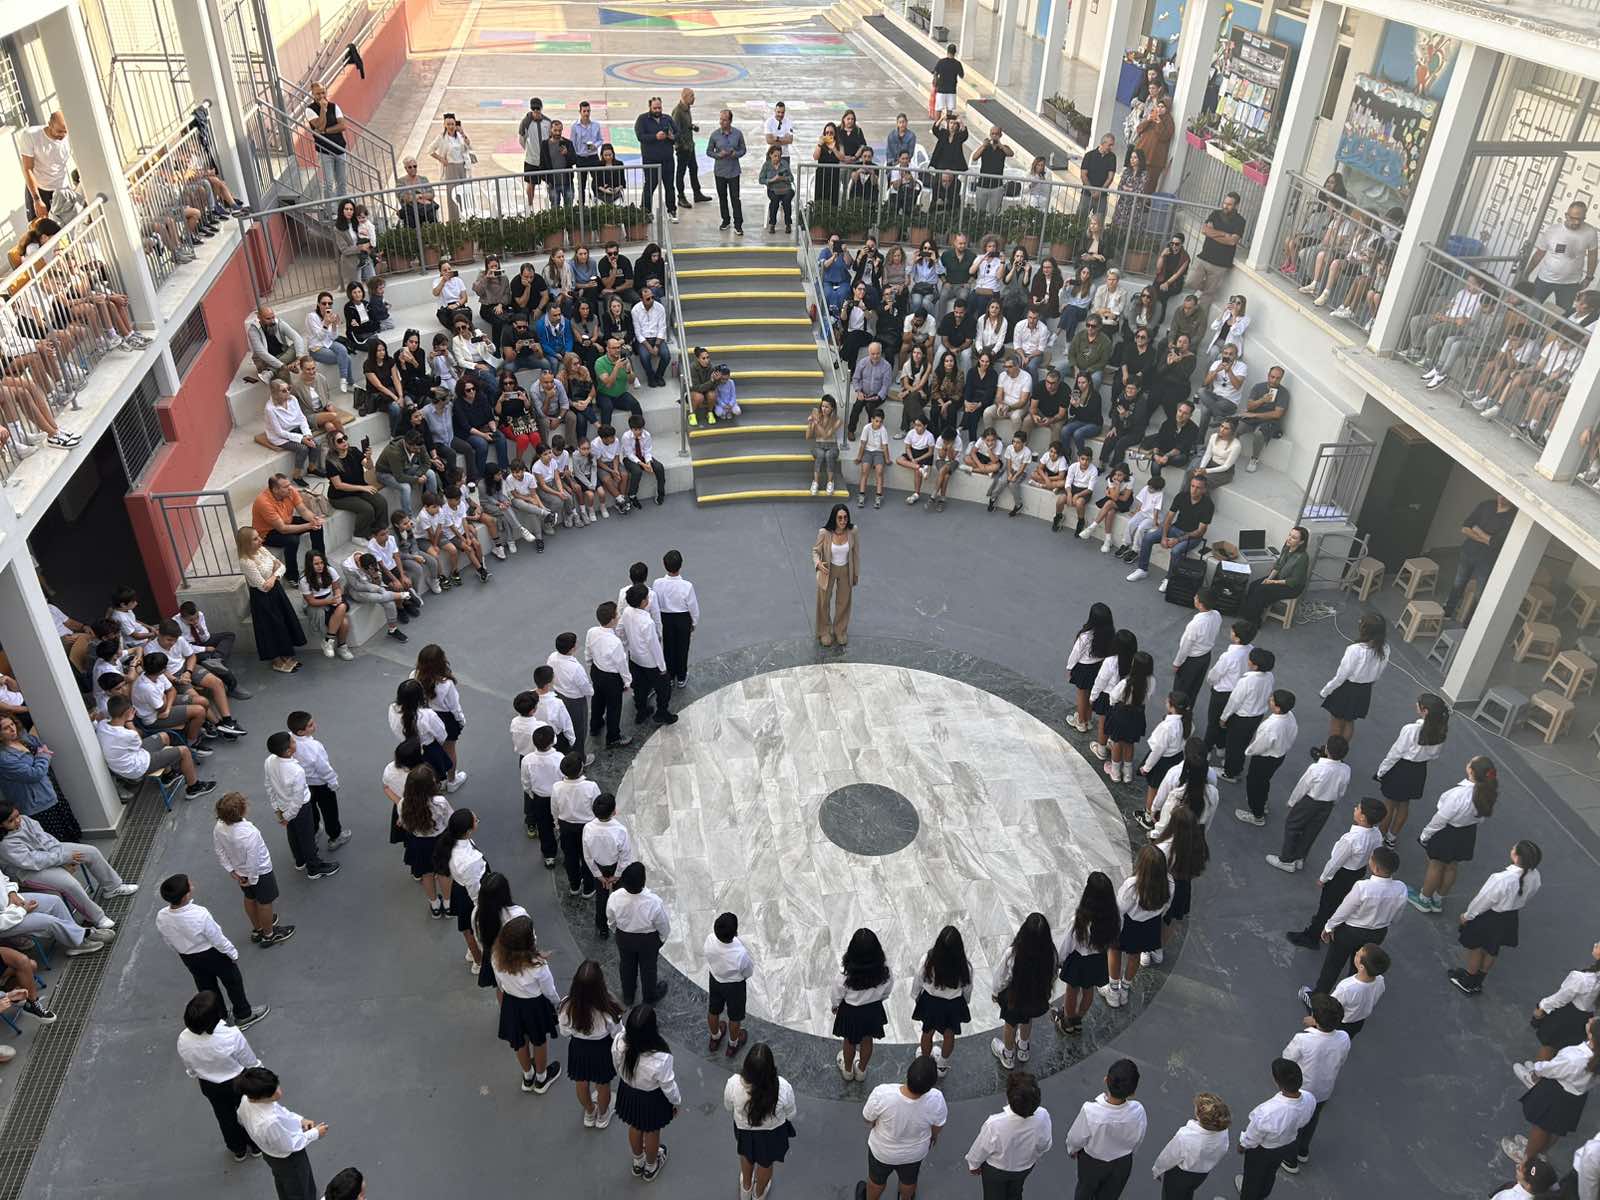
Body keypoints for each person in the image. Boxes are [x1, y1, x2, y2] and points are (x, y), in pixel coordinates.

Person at [0, 800, 136, 931]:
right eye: (11, 821)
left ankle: (112, 887)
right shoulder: (5, 844)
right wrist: (63, 859)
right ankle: (97, 917)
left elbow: (45, 839)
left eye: (17, 815)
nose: (18, 821)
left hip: (51, 854)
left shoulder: (25, 820)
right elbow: (33, 861)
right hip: (27, 872)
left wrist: (61, 856)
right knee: (70, 884)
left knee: (91, 852)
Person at [155, 873, 267, 1027]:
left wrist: (182, 950)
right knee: (232, 982)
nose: (192, 885)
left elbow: (167, 938)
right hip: (212, 954)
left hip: (188, 957)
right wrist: (232, 953)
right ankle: (244, 1014)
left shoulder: (162, 916)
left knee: (207, 987)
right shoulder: (199, 914)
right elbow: (217, 938)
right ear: (185, 896)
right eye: (190, 885)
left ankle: (219, 1017)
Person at [178, 989, 262, 1162]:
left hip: (210, 1085)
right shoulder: (231, 1035)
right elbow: (250, 1061)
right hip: (238, 1081)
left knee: (224, 1117)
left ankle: (237, 1149)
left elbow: (190, 1066)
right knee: (248, 1112)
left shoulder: (183, 1038)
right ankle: (255, 1146)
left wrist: (196, 1074)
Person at [1309, 845, 1405, 996]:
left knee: (1333, 964)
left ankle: (1319, 996)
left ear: (1376, 868)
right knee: (1361, 967)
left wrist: (1329, 927)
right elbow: (1397, 914)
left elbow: (1344, 910)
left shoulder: (1363, 887)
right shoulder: (1401, 888)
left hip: (1350, 932)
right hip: (1378, 933)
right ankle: (1350, 996)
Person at [1504, 1017, 1598, 1169]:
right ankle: (1540, 1152)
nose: (1591, 1019)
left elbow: (1551, 1068)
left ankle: (1527, 1157)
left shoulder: (1575, 1058)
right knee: (1556, 1128)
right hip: (1575, 1098)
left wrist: (1537, 1071)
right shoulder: (1594, 1059)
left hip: (1557, 1093)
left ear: (1592, 1037)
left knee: (1541, 1127)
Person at [1452, 839, 1542, 996]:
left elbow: (1483, 900)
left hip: (1489, 917)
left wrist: (1468, 915)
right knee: (1492, 949)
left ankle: (1468, 981)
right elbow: (1530, 894)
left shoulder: (1501, 879)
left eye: (1514, 848)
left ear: (1517, 856)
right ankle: (1478, 981)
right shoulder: (1535, 876)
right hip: (1509, 917)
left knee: (1476, 947)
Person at [1410, 754, 1497, 912]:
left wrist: (1425, 834)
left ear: (1471, 771)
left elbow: (1441, 818)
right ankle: (1438, 900)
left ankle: (1424, 899)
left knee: (1435, 865)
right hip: (1467, 833)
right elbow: (1481, 818)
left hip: (1448, 832)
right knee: (1452, 866)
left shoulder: (1459, 794)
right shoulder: (1488, 793)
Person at [1279, 994, 1350, 1175]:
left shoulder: (1303, 1039)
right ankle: (1303, 1151)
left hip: (1303, 1089)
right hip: (1324, 1089)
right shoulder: (1344, 1038)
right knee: (1313, 1118)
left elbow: (1287, 1059)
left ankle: (1290, 1159)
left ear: (1315, 1019)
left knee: (1295, 1123)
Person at [860, 1054, 946, 1200]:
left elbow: (867, 1119)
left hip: (882, 1152)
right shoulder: (936, 1099)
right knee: (909, 1181)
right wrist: (933, 1136)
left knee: (876, 1182)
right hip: (914, 1154)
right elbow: (937, 1126)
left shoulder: (882, 1093)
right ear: (930, 1086)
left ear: (907, 1074)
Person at [235, 1066, 328, 1200]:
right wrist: (315, 1133)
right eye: (273, 1092)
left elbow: (280, 1112)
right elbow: (289, 1145)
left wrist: (300, 1120)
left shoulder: (247, 1100)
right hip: (288, 1159)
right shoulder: (269, 1123)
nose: (279, 1092)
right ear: (261, 1097)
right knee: (299, 1188)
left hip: (270, 1153)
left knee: (284, 1182)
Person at [214, 790, 292, 946]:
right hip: (259, 873)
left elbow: (219, 850)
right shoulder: (250, 833)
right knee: (265, 902)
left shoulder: (219, 827)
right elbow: (253, 861)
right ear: (242, 811)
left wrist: (231, 870)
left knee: (250, 898)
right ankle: (269, 935)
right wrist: (252, 879)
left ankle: (258, 929)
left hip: (240, 872)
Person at [1233, 1058, 1316, 1200]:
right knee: (1270, 1173)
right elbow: (1304, 1121)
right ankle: (1262, 1194)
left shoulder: (1267, 1112)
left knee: (1253, 1176)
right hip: (1285, 1145)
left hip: (1262, 1150)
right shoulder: (1310, 1098)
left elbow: (1253, 1136)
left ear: (1276, 1081)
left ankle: (1249, 1194)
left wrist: (1242, 1146)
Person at [614, 1004, 679, 1180]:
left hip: (628, 1092)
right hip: (652, 1099)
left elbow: (616, 1063)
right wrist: (676, 1102)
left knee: (635, 1126)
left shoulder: (620, 1042)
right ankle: (651, 1166)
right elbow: (668, 1086)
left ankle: (638, 1162)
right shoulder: (661, 1057)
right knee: (652, 1131)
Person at [964, 1069, 1053, 1199]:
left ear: (1009, 1098)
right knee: (1016, 1192)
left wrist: (974, 1165)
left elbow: (980, 1149)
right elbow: (1044, 1144)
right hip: (1024, 1167)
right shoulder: (1043, 1116)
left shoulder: (994, 1124)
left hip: (995, 1170)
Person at [725, 1042, 797, 1200]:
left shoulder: (733, 1084)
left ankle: (746, 1188)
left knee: (746, 1155)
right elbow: (791, 1114)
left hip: (744, 1132)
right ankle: (758, 1194)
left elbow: (728, 1106)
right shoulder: (783, 1087)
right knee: (766, 1163)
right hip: (772, 1135)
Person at [1065, 1058, 1147, 1198]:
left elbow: (1075, 1138)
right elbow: (1139, 1136)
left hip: (1091, 1162)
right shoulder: (1138, 1111)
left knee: (1085, 1189)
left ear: (1106, 1080)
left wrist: (1072, 1150)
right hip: (1122, 1163)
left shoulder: (1090, 1111)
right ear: (1132, 1093)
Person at [264, 730, 340, 880]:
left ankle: (300, 860)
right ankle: (314, 868)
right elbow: (298, 799)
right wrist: (288, 816)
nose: (295, 741)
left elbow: (269, 785)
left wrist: (278, 810)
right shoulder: (297, 771)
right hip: (300, 809)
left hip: (282, 804)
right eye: (293, 741)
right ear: (288, 751)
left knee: (293, 832)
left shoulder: (269, 761)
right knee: (307, 837)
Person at [558, 958, 623, 1128]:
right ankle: (603, 1115)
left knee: (581, 1081)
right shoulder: (609, 1007)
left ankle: (589, 1112)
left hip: (578, 1048)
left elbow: (564, 1031)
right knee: (603, 1084)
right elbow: (618, 1033)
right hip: (602, 1050)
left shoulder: (567, 1006)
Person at [990, 913, 1057, 1069]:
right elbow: (1053, 974)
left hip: (1015, 998)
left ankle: (1008, 1055)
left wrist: (996, 992)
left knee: (1010, 1024)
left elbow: (1002, 976)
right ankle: (1023, 1047)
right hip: (1037, 998)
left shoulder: (1014, 953)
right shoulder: (1050, 954)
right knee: (1027, 1019)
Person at [235, 527, 306, 673]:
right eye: (255, 539)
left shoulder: (262, 550)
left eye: (258, 537)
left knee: (283, 622)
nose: (260, 540)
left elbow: (282, 566)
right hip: (263, 599)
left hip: (277, 592)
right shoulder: (246, 562)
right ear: (246, 543)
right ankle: (277, 661)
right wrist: (275, 573)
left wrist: (273, 576)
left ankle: (285, 655)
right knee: (272, 628)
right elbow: (263, 587)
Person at [1317, 611, 1389, 749]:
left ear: (1365, 630)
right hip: (1364, 690)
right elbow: (1378, 673)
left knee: (1336, 721)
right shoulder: (1385, 648)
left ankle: (1330, 752)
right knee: (1349, 721)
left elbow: (1342, 675)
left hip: (1347, 689)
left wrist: (1326, 691)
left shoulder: (1355, 650)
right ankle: (1341, 751)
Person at [1127, 472, 1212, 585]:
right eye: (1192, 486)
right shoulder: (1181, 496)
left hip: (1192, 536)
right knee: (1148, 538)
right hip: (1176, 528)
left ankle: (1169, 579)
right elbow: (1169, 518)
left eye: (1198, 488)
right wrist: (1164, 536)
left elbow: (1200, 531)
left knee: (1176, 551)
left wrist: (1177, 540)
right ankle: (1142, 569)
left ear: (1204, 490)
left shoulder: (1208, 505)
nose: (1194, 490)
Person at [1442, 493, 1517, 618]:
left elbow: (1496, 543)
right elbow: (1465, 528)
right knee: (1459, 583)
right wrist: (1485, 539)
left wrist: (1477, 530)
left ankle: (1470, 622)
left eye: (1506, 496)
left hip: (1488, 559)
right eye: (1500, 494)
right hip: (1468, 551)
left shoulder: (1513, 517)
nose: (1502, 497)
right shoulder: (1486, 505)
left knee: (1480, 592)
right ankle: (1448, 611)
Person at [1150, 1093, 1230, 1199]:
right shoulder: (1223, 1132)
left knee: (1171, 1195)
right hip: (1201, 1174)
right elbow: (1223, 1149)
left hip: (1180, 1175)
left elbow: (1169, 1156)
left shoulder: (1186, 1136)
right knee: (1188, 1191)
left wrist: (1157, 1169)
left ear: (1198, 1114)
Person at [1522, 201, 1597, 308]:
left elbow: (1592, 256)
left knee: (1562, 314)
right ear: (1566, 215)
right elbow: (1539, 254)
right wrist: (1526, 273)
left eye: (1580, 219)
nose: (1576, 222)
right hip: (1545, 279)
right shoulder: (1552, 230)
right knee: (1530, 307)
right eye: (1573, 218)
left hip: (1570, 284)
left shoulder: (1590, 232)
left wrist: (1588, 278)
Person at [1239, 526, 1309, 623]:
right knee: (1254, 585)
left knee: (1261, 590)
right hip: (1280, 578)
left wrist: (1272, 582)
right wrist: (1268, 579)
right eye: (1289, 535)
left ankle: (1253, 621)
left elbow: (1293, 581)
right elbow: (1278, 565)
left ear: (1301, 542)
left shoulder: (1302, 558)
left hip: (1291, 587)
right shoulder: (1287, 546)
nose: (1289, 539)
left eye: (1294, 538)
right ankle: (1247, 612)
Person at [814, 502, 860, 647]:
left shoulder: (853, 531)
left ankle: (840, 630)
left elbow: (856, 553)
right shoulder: (825, 533)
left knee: (844, 601)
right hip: (828, 570)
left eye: (845, 517)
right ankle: (824, 631)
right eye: (840, 518)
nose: (843, 521)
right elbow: (815, 551)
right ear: (834, 518)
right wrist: (818, 564)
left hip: (846, 569)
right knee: (824, 601)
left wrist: (855, 573)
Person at [1189, 192, 1247, 298]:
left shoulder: (1240, 221)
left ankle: (1201, 307)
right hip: (1204, 257)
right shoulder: (1215, 214)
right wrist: (1224, 234)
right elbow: (1204, 230)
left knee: (1208, 295)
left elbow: (1232, 241)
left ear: (1236, 206)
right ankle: (1202, 290)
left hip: (1220, 264)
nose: (1225, 206)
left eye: (1229, 204)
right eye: (1224, 203)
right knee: (1190, 282)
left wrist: (1212, 233)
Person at [1238, 366, 1290, 472]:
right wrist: (1262, 400)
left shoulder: (1283, 393)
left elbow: (1277, 414)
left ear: (1281, 379)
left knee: (1259, 433)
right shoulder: (1258, 387)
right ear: (1268, 375)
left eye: (1278, 378)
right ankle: (1227, 450)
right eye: (1272, 377)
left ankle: (1254, 459)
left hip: (1269, 421)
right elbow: (1249, 407)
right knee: (1236, 426)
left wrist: (1255, 415)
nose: (1274, 380)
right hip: (1253, 418)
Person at [635, 96, 679, 223]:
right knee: (649, 186)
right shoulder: (642, 119)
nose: (657, 110)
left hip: (668, 160)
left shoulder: (667, 119)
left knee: (669, 186)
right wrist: (655, 136)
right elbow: (640, 136)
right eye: (655, 108)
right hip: (651, 161)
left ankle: (671, 210)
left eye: (659, 107)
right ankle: (646, 211)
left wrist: (672, 137)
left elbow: (677, 133)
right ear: (650, 107)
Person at [704, 108, 747, 235]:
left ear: (730, 121)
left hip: (734, 172)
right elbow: (708, 151)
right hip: (720, 172)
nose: (721, 122)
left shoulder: (738, 134)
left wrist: (735, 154)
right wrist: (718, 155)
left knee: (735, 198)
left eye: (724, 120)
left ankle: (738, 224)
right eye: (720, 119)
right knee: (722, 197)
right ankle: (725, 220)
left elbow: (743, 150)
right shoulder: (715, 135)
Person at [21, 113, 71, 219]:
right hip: (39, 190)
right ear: (49, 124)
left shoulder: (69, 137)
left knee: (64, 226)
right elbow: (27, 168)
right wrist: (37, 199)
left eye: (65, 131)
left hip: (61, 190)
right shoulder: (31, 136)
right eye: (59, 131)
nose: (63, 135)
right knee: (39, 227)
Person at [306, 81, 348, 200]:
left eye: (323, 92)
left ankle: (343, 206)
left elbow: (343, 125)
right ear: (312, 94)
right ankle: (331, 209)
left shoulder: (334, 107)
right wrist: (323, 110)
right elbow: (320, 126)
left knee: (342, 182)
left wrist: (325, 131)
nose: (321, 96)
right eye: (318, 94)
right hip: (324, 151)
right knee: (328, 183)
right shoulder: (310, 110)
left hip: (339, 149)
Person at [1077, 133, 1117, 221]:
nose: (1111, 147)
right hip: (1087, 194)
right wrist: (1092, 191)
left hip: (1102, 196)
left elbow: (1110, 177)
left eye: (1112, 145)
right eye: (1110, 145)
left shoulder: (1112, 157)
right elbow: (1083, 175)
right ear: (1103, 143)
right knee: (1080, 219)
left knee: (1099, 221)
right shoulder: (1089, 155)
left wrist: (1100, 191)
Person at [758, 146, 795, 234]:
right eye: (775, 156)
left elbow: (791, 178)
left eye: (779, 156)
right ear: (770, 155)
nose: (777, 158)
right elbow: (761, 180)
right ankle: (772, 224)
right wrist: (772, 180)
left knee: (787, 201)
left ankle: (788, 224)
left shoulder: (784, 163)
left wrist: (783, 178)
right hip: (773, 189)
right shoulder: (766, 165)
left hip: (786, 188)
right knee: (774, 201)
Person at [931, 43, 964, 114]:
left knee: (938, 109)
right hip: (951, 90)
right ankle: (948, 121)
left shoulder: (941, 62)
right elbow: (961, 75)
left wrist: (935, 83)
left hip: (941, 89)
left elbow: (935, 73)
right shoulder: (957, 64)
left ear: (947, 51)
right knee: (949, 110)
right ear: (955, 52)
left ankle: (937, 121)